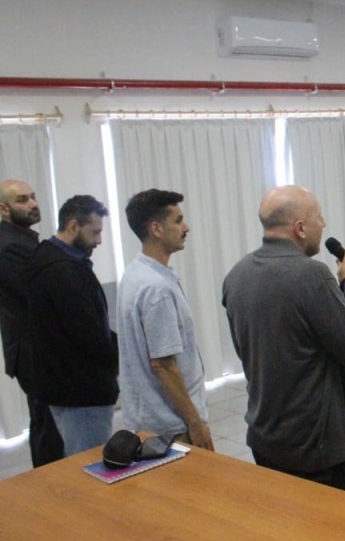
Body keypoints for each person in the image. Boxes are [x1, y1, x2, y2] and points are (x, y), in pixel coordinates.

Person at [223, 186, 345, 493]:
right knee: (332, 536)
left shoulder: (236, 275)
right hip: (315, 449)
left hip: (266, 436)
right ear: (300, 228)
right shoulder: (311, 276)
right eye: (319, 217)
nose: (324, 224)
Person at [117, 190, 213, 450]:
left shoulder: (135, 274)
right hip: (171, 428)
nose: (186, 227)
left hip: (147, 421)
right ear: (157, 229)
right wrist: (196, 424)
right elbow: (163, 365)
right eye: (178, 220)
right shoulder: (156, 288)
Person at [25, 195, 117, 456]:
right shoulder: (62, 271)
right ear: (73, 225)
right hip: (81, 391)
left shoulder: (48, 258)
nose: (99, 240)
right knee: (91, 464)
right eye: (95, 232)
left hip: (67, 386)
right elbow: (87, 333)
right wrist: (116, 359)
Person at [0, 180, 64, 465]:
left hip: (38, 349)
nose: (33, 204)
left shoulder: (23, 240)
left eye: (33, 197)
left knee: (48, 423)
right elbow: (40, 295)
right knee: (47, 427)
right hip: (33, 352)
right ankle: (50, 487)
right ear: (4, 209)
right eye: (23, 200)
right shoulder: (9, 247)